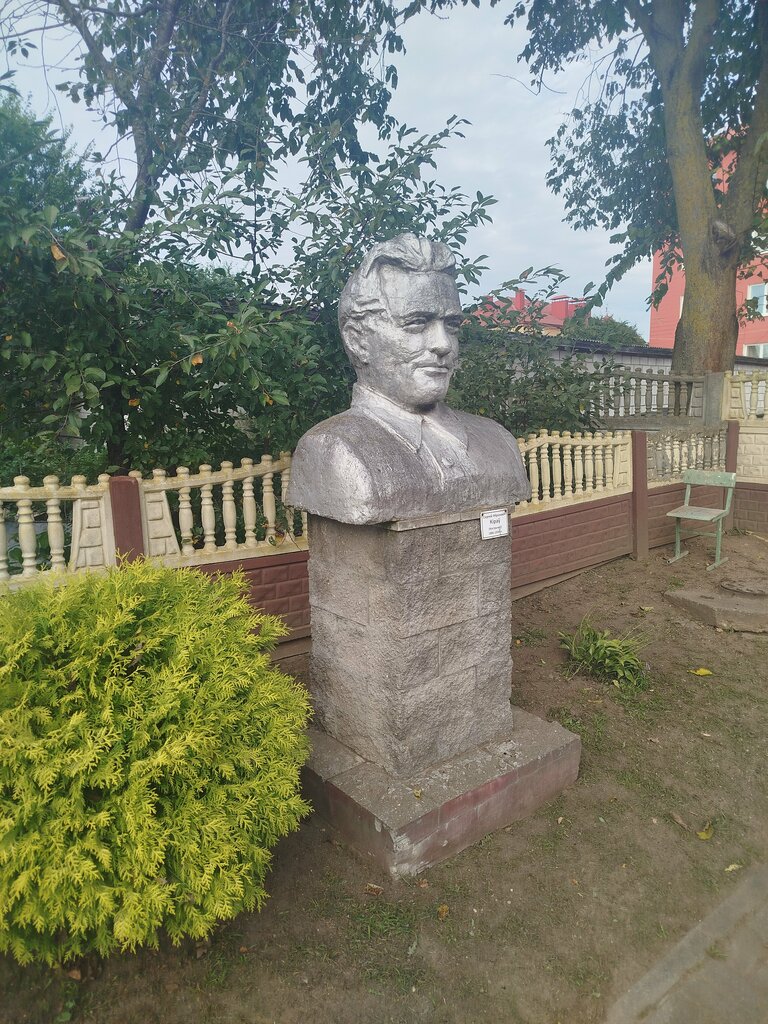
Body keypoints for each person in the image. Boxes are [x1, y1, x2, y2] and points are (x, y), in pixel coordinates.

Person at [285, 233, 531, 525]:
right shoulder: (331, 450)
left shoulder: (498, 441)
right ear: (358, 340)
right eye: (417, 323)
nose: (443, 344)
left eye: (451, 325)